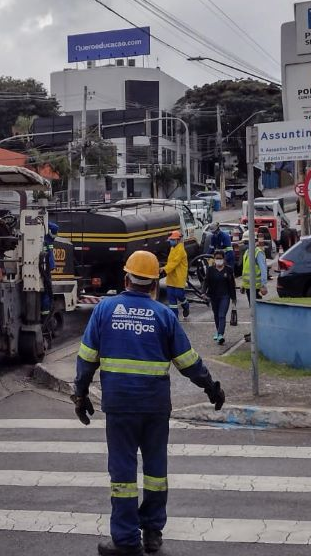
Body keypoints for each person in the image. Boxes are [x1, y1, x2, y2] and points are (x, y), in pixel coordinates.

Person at [71, 250, 225, 556]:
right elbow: (188, 361)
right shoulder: (164, 315)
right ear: (154, 284)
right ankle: (152, 534)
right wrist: (211, 387)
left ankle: (126, 540)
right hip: (154, 407)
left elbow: (87, 358)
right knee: (156, 471)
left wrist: (81, 394)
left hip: (120, 406)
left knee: (123, 473)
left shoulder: (105, 310)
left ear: (126, 278)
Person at [203, 250, 236, 344]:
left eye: (220, 258)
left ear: (224, 259)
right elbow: (206, 282)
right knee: (216, 315)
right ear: (214, 259)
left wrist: (234, 298)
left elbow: (232, 284)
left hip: (225, 296)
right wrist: (203, 293)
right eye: (217, 258)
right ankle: (218, 332)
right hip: (213, 296)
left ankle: (221, 334)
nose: (218, 260)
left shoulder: (228, 270)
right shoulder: (210, 270)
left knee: (222, 315)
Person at [162, 230, 189, 320]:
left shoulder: (181, 250)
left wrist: (164, 269)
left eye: (173, 240)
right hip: (171, 278)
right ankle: (174, 318)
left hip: (179, 277)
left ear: (178, 240)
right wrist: (164, 268)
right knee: (171, 298)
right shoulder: (172, 248)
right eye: (171, 240)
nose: (171, 241)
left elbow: (174, 262)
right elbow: (170, 262)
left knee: (179, 294)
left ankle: (185, 304)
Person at [241, 231, 268, 305]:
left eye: (247, 242)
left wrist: (263, 285)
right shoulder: (247, 252)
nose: (245, 244)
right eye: (245, 242)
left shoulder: (258, 253)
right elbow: (245, 270)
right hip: (248, 287)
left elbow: (263, 270)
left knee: (257, 309)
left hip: (256, 287)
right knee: (252, 307)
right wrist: (243, 285)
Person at [41, 222, 58, 318]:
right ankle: (46, 315)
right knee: (47, 291)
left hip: (45, 268)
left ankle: (45, 313)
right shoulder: (47, 239)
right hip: (46, 268)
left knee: (46, 292)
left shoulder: (47, 238)